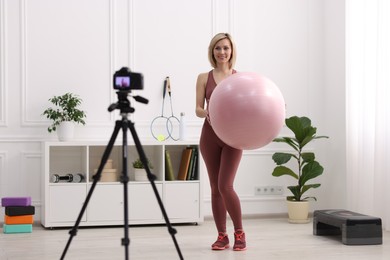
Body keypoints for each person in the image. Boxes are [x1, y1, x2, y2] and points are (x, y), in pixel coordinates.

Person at [195, 33, 246, 251]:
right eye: (218, 48)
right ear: (212, 51)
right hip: (210, 136)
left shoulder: (239, 78)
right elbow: (197, 108)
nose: (222, 52)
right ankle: (222, 236)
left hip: (234, 137)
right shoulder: (203, 77)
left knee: (226, 186)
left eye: (226, 48)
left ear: (232, 51)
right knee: (215, 188)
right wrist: (207, 112)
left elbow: (249, 107)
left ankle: (240, 233)